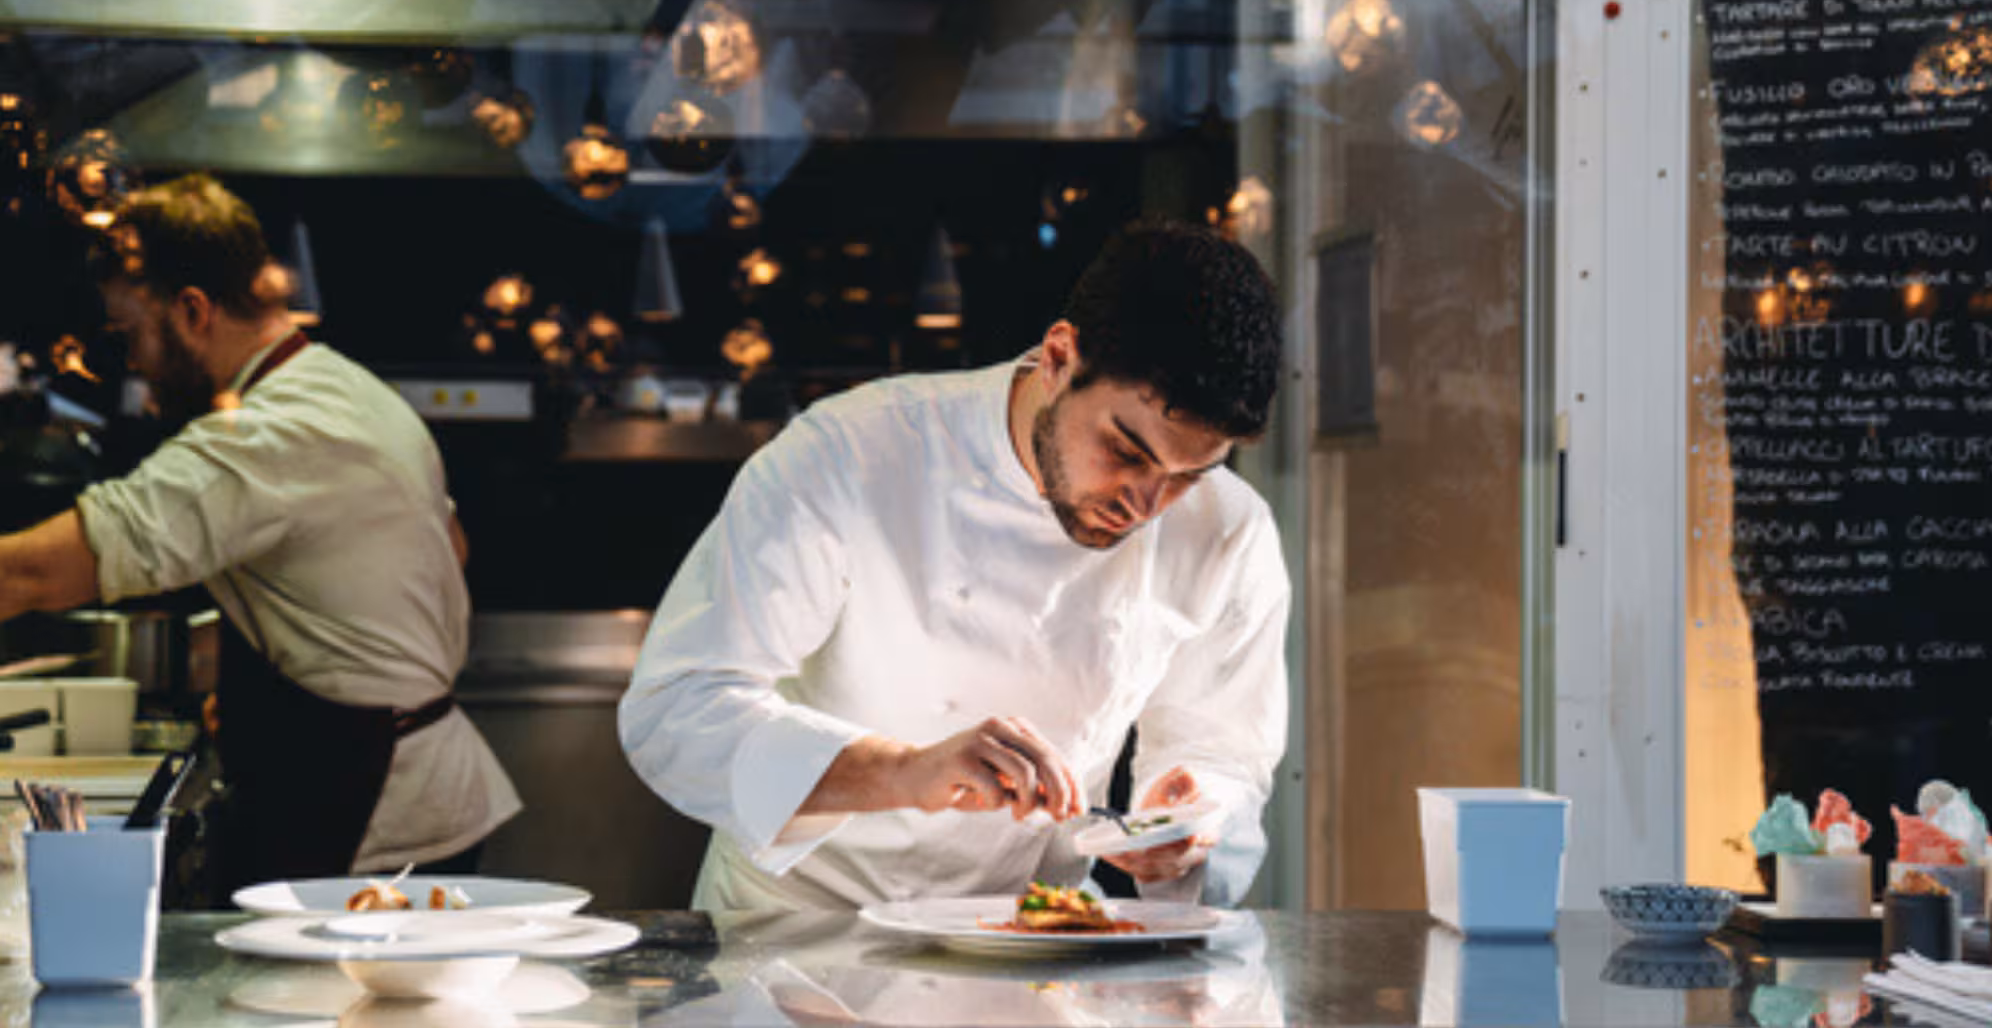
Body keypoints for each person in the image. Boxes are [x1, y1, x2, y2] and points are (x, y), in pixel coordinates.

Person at [620, 221, 1288, 910]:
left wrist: (1185, 821)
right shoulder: (850, 455)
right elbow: (678, 707)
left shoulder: (1229, 530)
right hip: (798, 939)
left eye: (1189, 475)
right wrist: (904, 771)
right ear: (1059, 358)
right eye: (1126, 452)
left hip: (1033, 943)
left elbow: (1224, 748)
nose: (1148, 505)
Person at [0, 174, 518, 890]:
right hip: (419, 785)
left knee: (310, 1006)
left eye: (132, 337)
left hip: (371, 810)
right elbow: (447, 549)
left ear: (191, 311)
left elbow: (29, 575)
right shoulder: (342, 384)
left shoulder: (264, 438)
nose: (137, 367)